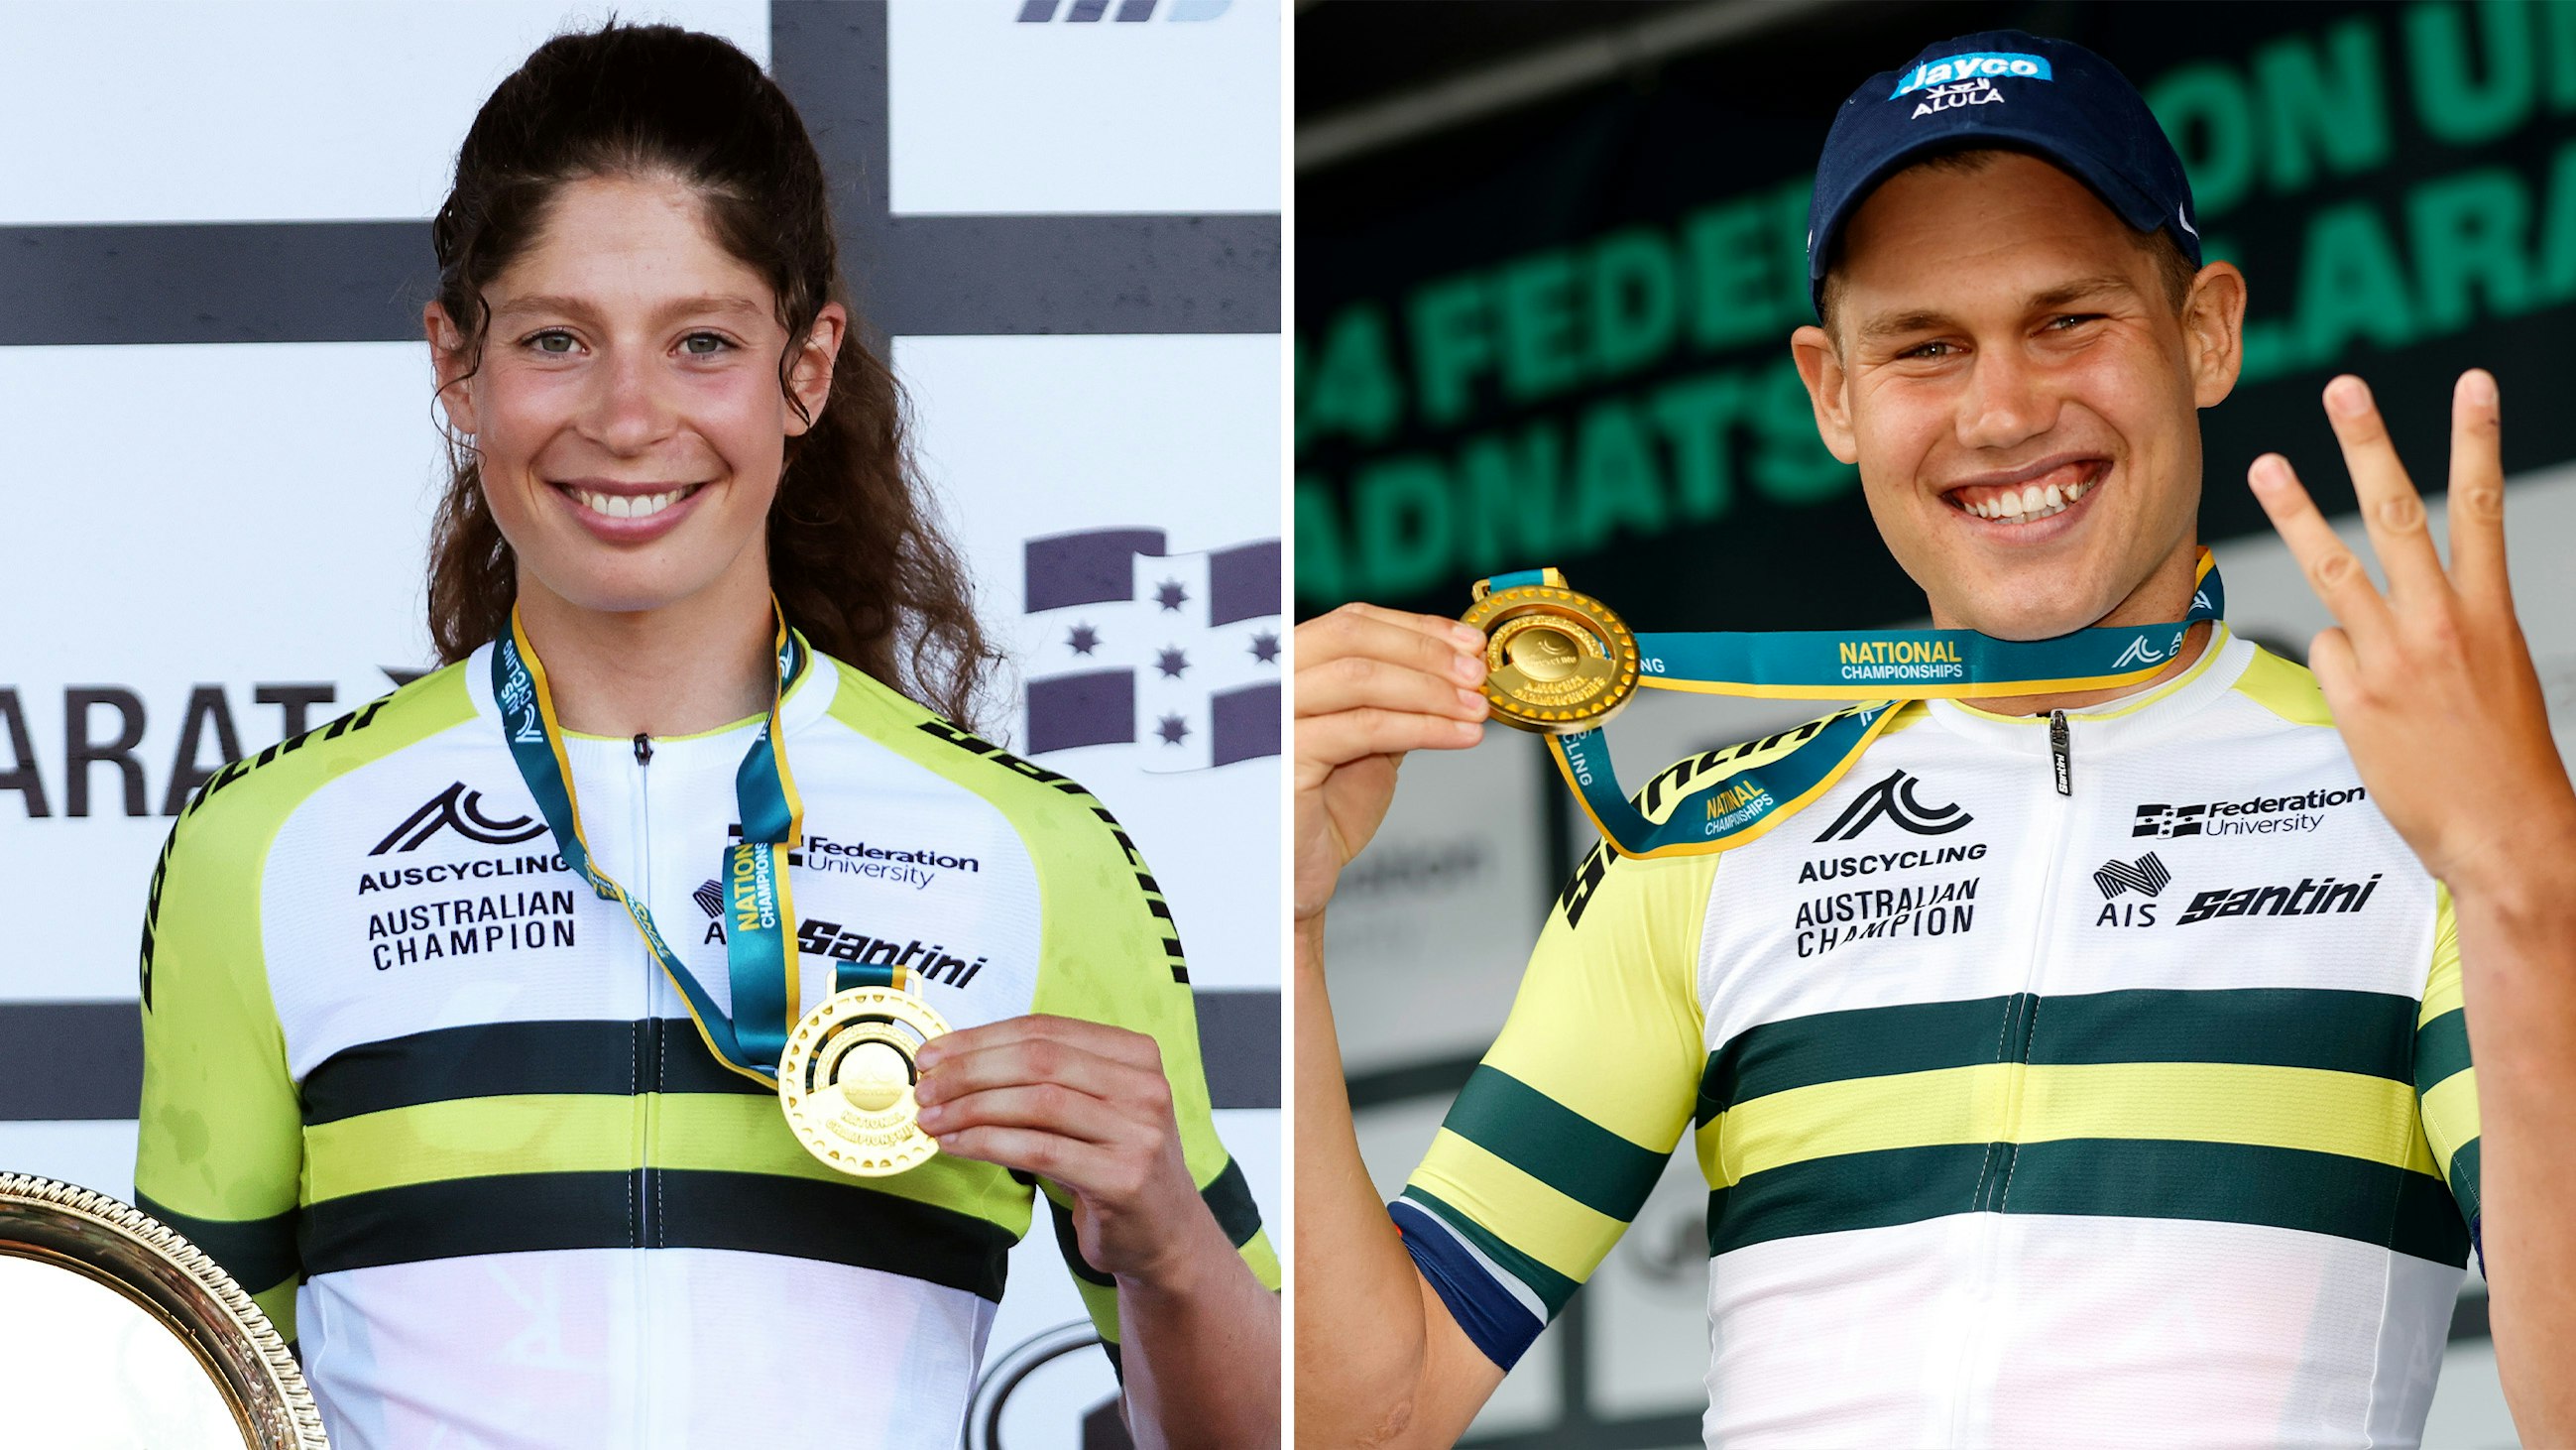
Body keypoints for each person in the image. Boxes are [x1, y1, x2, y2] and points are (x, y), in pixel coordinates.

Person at [1294, 29, 2576, 1448]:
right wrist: (1280, 925)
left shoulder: (2416, 796)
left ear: (2204, 329)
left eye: (2067, 319)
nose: (2004, 409)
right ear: (1829, 393)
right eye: (1923, 346)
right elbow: (1369, 1407)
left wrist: (2526, 884)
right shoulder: (1708, 829)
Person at [131, 24, 1277, 1450]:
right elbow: (175, 1403)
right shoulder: (267, 845)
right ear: (455, 365)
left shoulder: (1039, 854)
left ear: (806, 369)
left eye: (702, 343)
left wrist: (1165, 1236)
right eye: (556, 339)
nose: (626, 416)